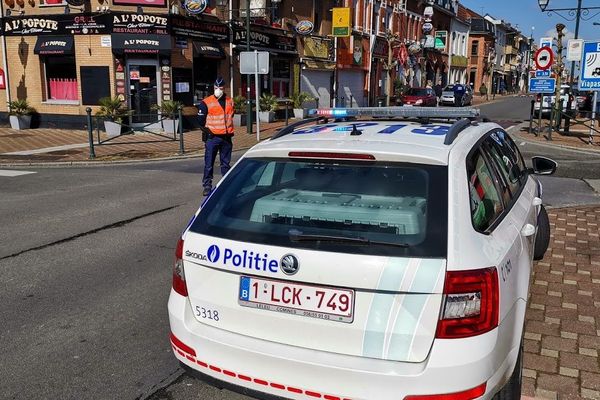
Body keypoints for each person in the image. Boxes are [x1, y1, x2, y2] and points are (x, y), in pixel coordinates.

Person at [197, 77, 235, 196]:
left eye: (220, 88)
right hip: (213, 138)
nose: (218, 90)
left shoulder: (230, 101)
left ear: (224, 88)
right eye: (216, 88)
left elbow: (231, 115)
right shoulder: (206, 102)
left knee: (225, 163)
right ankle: (207, 185)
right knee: (209, 163)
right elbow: (200, 121)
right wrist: (209, 132)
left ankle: (226, 184)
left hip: (226, 137)